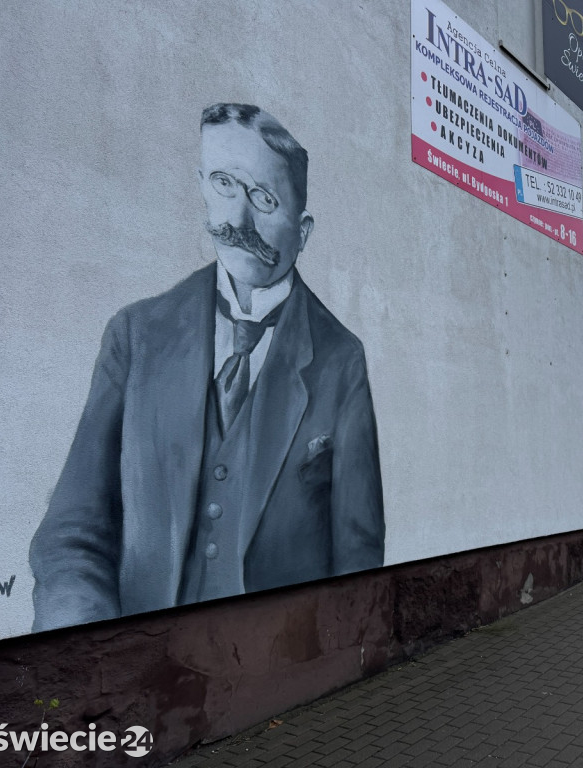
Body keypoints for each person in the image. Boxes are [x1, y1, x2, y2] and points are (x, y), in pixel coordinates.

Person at [29, 104, 385, 632]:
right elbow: (71, 535)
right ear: (200, 183)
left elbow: (357, 556)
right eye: (223, 184)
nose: (237, 221)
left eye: (264, 199)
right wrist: (97, 658)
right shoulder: (138, 335)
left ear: (303, 230)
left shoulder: (340, 359)